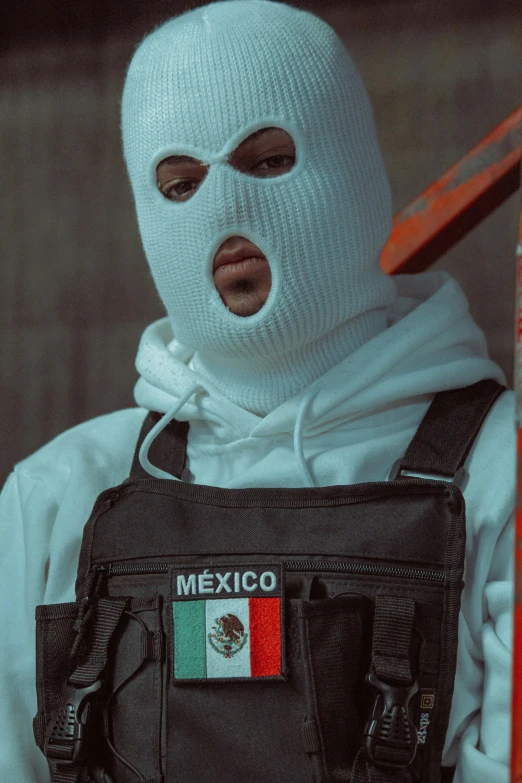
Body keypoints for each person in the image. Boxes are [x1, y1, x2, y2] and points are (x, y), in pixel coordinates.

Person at [0, 1, 513, 781]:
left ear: (355, 166)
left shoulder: (502, 475)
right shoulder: (60, 493)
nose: (226, 209)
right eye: (181, 181)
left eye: (268, 160)